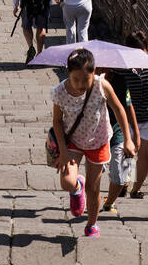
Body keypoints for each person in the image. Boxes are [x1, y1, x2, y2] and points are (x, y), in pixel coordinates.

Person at [51, 48, 136, 238]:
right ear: (68, 73)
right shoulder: (60, 92)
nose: (81, 85)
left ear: (94, 71)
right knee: (67, 182)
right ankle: (76, 187)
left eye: (85, 80)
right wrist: (63, 151)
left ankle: (92, 224)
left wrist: (128, 140)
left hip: (98, 141)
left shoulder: (102, 85)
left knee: (93, 188)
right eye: (76, 80)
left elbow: (120, 109)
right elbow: (57, 121)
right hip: (73, 141)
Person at [109, 31, 148, 198]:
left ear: (147, 49)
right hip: (127, 116)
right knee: (128, 152)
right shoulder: (120, 65)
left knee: (146, 157)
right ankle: (124, 182)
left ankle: (136, 189)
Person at [101, 71, 139, 215]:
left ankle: (110, 201)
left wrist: (135, 135)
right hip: (95, 132)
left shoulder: (121, 80)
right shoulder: (88, 80)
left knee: (122, 172)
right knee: (96, 172)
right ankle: (92, 200)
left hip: (118, 129)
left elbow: (128, 107)